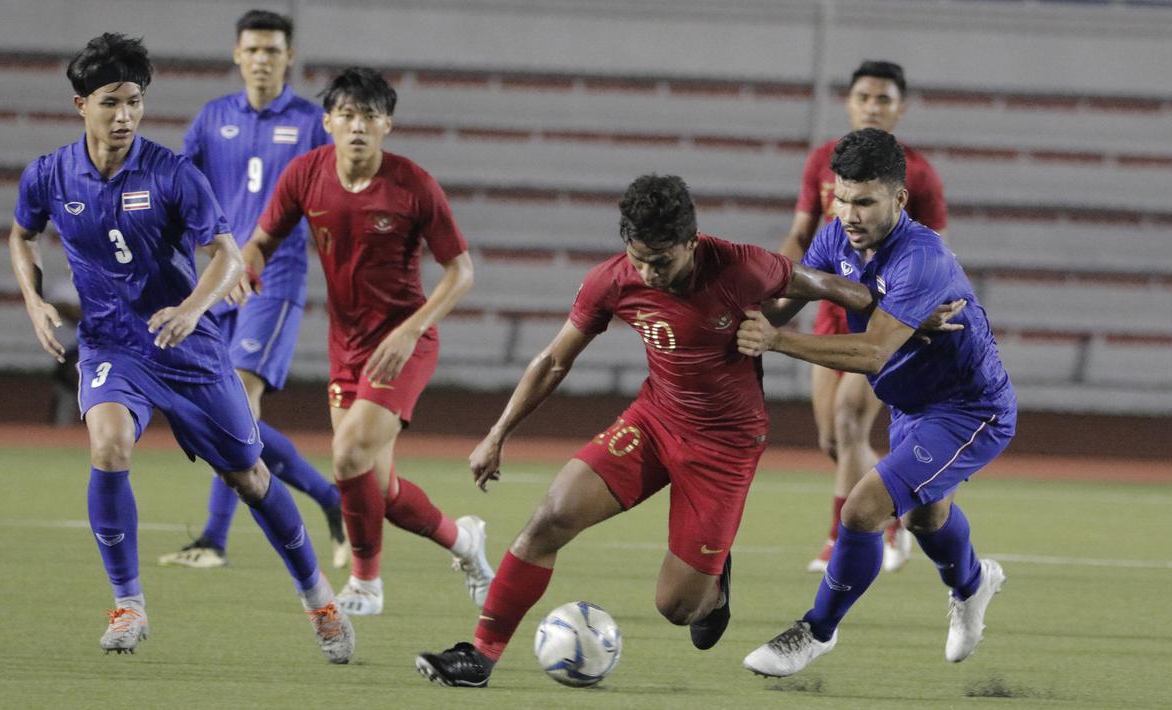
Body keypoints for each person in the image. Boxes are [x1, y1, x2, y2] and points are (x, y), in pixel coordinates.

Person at [414, 174, 888, 689]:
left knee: (679, 608)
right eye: (638, 258)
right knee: (550, 518)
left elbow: (829, 287)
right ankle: (479, 655)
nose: (648, 272)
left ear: (692, 241)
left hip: (726, 446)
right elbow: (553, 361)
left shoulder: (741, 266)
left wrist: (905, 312)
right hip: (654, 421)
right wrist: (497, 433)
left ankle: (713, 589)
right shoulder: (613, 280)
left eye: (661, 261)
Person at [8, 33, 353, 662]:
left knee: (250, 476)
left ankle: (319, 599)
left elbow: (227, 256)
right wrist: (33, 299)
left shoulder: (171, 174)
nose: (125, 116)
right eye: (111, 102)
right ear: (80, 104)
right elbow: (21, 233)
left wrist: (193, 309)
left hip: (188, 349)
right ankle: (128, 604)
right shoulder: (50, 175)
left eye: (134, 102)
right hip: (112, 345)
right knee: (108, 444)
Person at [738, 128, 1014, 677]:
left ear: (899, 199)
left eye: (864, 201)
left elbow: (871, 352)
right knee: (925, 518)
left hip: (970, 409)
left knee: (863, 509)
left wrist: (775, 341)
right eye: (841, 199)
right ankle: (973, 584)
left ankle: (815, 632)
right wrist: (723, 326)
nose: (849, 214)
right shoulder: (834, 238)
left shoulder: (921, 258)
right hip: (912, 406)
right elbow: (784, 302)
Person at [235, 67, 494, 617]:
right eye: (347, 115)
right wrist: (246, 268)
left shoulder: (413, 186)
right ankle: (465, 542)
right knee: (381, 489)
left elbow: (461, 272)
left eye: (370, 116)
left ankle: (366, 584)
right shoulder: (305, 175)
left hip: (404, 343)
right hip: (347, 348)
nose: (358, 126)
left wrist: (411, 329)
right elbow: (260, 241)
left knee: (348, 453)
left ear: (387, 125)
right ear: (328, 121)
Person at [156, 9, 347, 571]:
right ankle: (329, 497)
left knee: (237, 400)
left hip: (275, 280)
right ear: (237, 55)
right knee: (215, 409)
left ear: (290, 57)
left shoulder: (312, 124)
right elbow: (182, 196)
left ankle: (214, 540)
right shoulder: (212, 118)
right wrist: (211, 260)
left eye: (272, 50)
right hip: (218, 284)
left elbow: (333, 203)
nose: (262, 59)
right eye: (253, 50)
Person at [779, 61, 948, 574]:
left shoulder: (919, 175)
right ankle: (899, 505)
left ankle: (842, 538)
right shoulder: (822, 162)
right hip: (830, 310)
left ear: (901, 108)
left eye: (883, 99)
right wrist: (775, 279)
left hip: (883, 318)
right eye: (864, 97)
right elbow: (802, 234)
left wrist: (913, 308)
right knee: (834, 441)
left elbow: (935, 250)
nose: (872, 107)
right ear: (849, 103)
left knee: (850, 419)